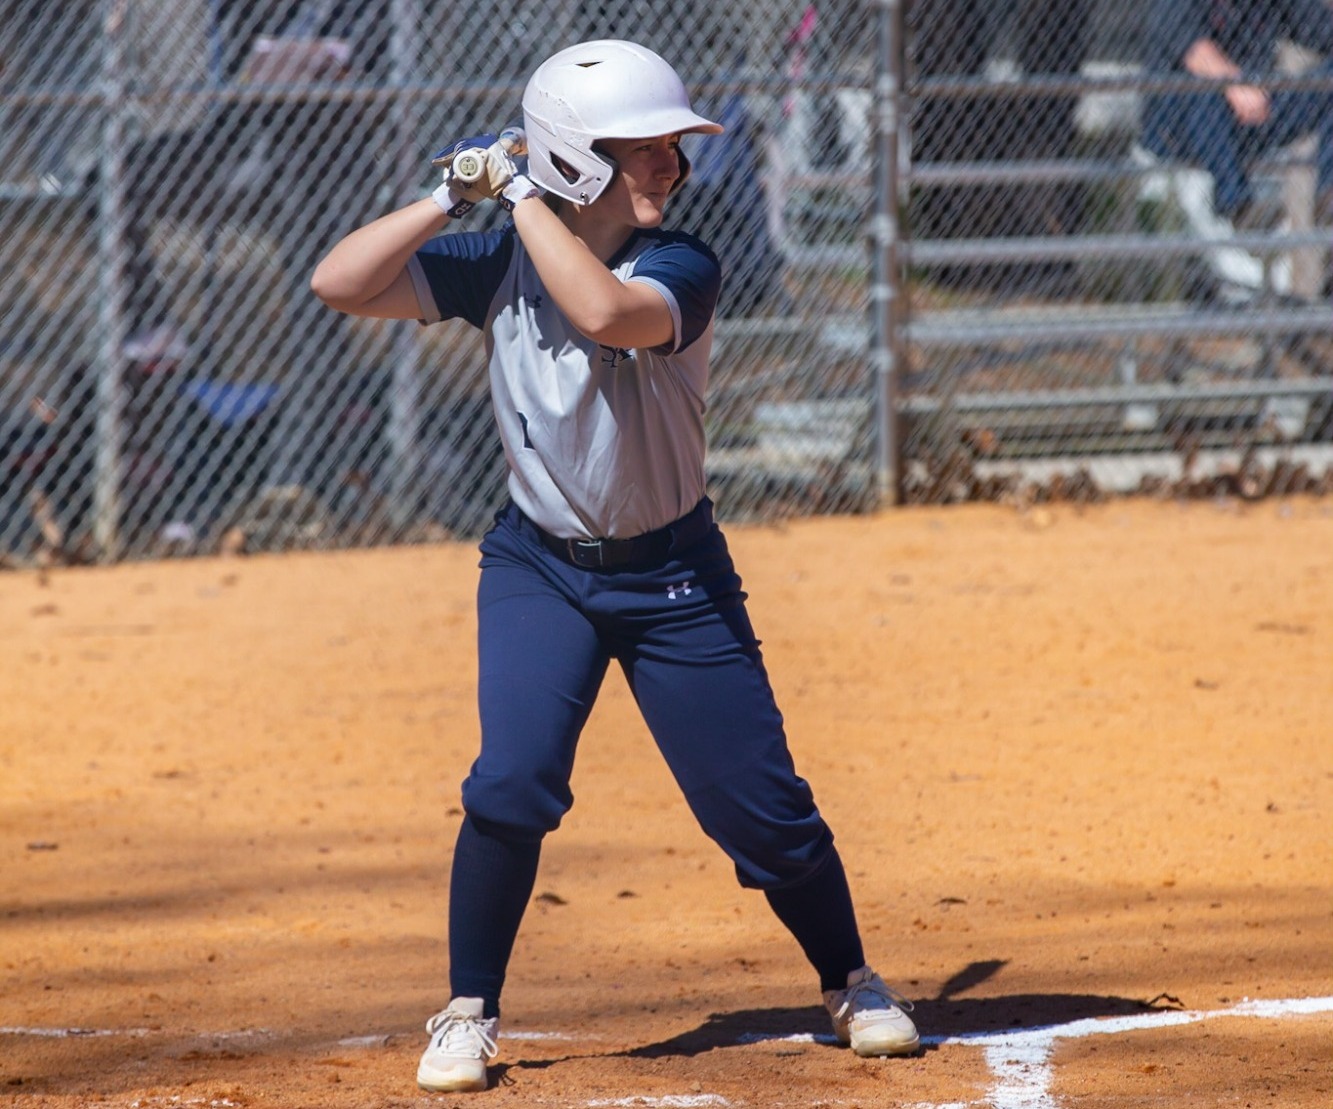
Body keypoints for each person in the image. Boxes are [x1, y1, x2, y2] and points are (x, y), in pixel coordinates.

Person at [310, 38, 919, 1095]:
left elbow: (604, 313)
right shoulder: (497, 263)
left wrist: (521, 198)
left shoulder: (681, 263)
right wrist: (450, 195)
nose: (668, 166)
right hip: (539, 569)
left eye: (671, 148)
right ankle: (468, 1007)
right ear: (574, 158)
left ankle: (849, 978)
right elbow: (339, 283)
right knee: (511, 781)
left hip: (673, 577)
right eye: (641, 150)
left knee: (760, 811)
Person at [1142, 0, 1333, 230]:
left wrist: (1246, 91)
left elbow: (1320, 26)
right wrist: (1235, 84)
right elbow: (1192, 50)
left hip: (1250, 115)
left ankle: (1329, 193)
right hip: (1181, 127)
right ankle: (1238, 206)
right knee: (1201, 87)